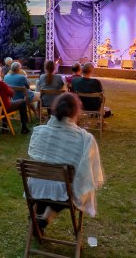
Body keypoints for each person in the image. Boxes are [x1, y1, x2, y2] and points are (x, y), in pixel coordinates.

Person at [27, 93, 104, 229]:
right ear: (76, 112)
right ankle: (46, 216)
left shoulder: (39, 132)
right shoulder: (85, 139)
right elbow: (88, 172)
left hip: (36, 187)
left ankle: (37, 216)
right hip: (64, 190)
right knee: (69, 186)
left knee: (51, 183)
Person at [0, 64, 30, 134]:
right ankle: (24, 127)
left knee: (3, 102)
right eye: (1, 72)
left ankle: (5, 127)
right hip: (2, 109)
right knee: (22, 102)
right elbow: (12, 93)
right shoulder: (1, 84)